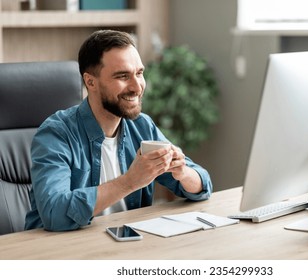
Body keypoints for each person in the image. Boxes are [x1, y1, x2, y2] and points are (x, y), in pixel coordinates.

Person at [24, 29, 213, 231]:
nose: (137, 87)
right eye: (122, 76)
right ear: (90, 82)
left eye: (139, 73)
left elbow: (203, 186)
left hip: (125, 245)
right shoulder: (56, 134)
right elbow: (55, 214)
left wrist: (182, 172)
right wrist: (129, 182)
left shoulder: (142, 126)